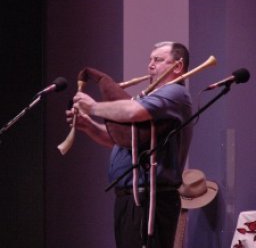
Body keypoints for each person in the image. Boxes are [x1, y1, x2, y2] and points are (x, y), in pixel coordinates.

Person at [66, 41, 193, 248]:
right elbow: (119, 141)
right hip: (130, 198)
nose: (150, 65)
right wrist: (88, 126)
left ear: (177, 66)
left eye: (158, 60)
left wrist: (94, 107)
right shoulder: (151, 98)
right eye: (150, 60)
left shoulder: (175, 93)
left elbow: (132, 112)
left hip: (153, 198)